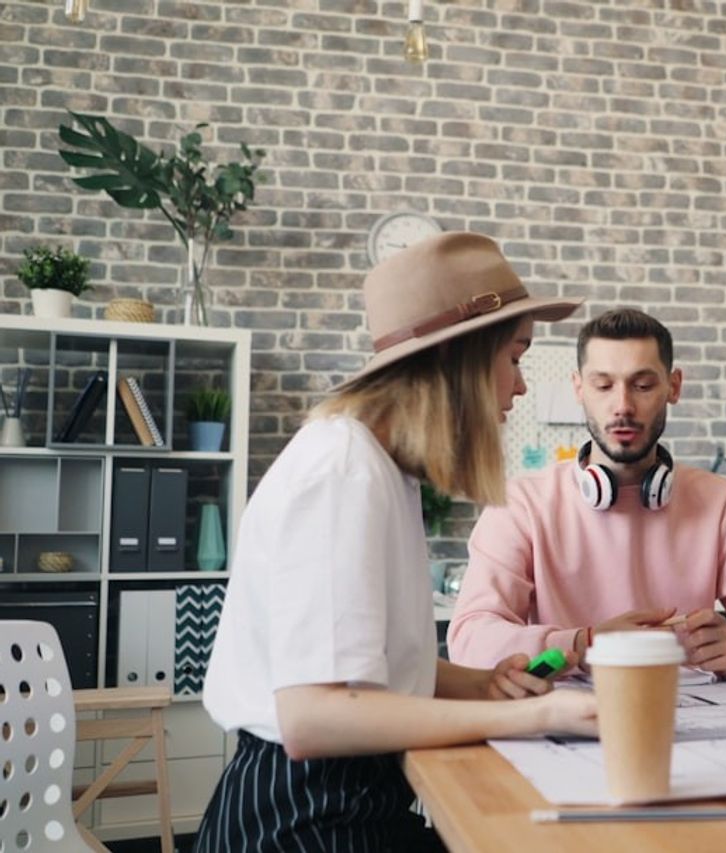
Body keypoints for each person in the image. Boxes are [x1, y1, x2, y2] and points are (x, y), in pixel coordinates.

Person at [194, 233, 597, 851]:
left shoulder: (378, 466)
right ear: (458, 359)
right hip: (303, 816)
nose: (519, 387)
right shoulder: (343, 473)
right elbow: (315, 716)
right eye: (515, 358)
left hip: (345, 800)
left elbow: (365, 666)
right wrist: (533, 715)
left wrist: (483, 684)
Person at [447, 308, 726, 677]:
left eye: (642, 386)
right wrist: (583, 644)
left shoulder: (721, 502)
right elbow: (470, 640)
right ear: (579, 388)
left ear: (673, 387)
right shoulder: (520, 504)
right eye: (603, 385)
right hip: (566, 711)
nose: (623, 406)